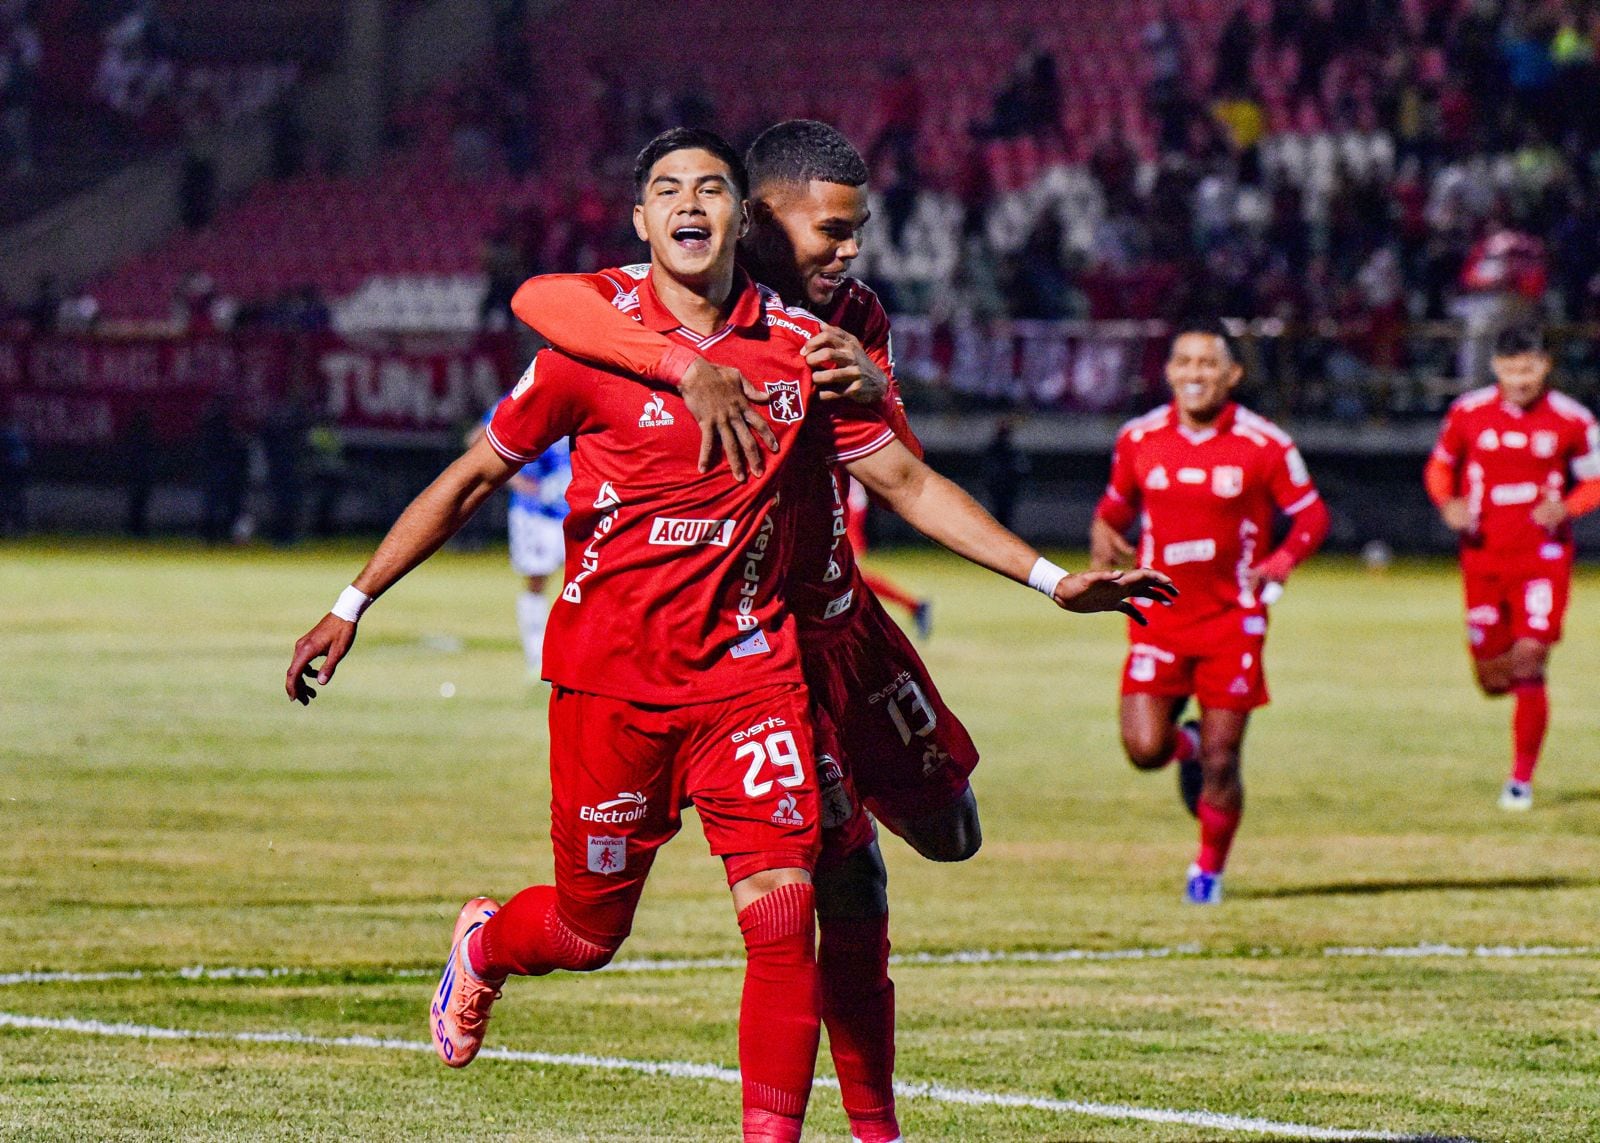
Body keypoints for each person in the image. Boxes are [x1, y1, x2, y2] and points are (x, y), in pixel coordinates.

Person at [285, 128, 1172, 1143]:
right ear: (681, 218)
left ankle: (859, 1128)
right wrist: (352, 603)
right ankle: (489, 945)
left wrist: (1053, 581)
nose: (849, 251)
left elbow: (905, 476)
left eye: (708, 186)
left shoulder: (821, 338)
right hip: (615, 677)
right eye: (670, 191)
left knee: (821, 892)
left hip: (772, 656)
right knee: (587, 931)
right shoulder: (602, 331)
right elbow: (531, 317)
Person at [501, 118, 1025, 1143]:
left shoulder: (849, 317)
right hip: (757, 646)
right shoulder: (669, 313)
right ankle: (875, 1130)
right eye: (834, 229)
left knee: (951, 836)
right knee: (831, 887)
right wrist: (675, 360)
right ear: (764, 216)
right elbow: (545, 299)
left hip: (845, 623)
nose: (851, 250)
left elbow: (898, 469)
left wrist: (884, 400)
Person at [1091, 319, 1328, 905]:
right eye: (1185, 363)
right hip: (1159, 618)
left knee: (1224, 762)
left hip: (1232, 621)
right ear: (1169, 371)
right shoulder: (1139, 438)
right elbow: (1114, 507)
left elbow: (1312, 515)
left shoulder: (1265, 443)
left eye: (1207, 364)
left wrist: (1280, 562)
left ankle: (1207, 872)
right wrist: (1103, 536)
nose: (1195, 374)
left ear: (1232, 375)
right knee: (1145, 750)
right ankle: (1185, 745)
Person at [1424, 323, 1600, 810]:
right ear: (1496, 367)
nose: (1520, 379)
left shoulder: (1572, 419)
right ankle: (1515, 690)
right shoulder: (1468, 413)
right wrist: (1448, 503)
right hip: (1482, 557)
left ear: (1546, 366)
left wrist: (1568, 507)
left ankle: (1520, 778)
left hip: (1542, 559)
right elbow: (1440, 467)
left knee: (1530, 659)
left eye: (1529, 369)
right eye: (1511, 369)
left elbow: (1595, 480)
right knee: (1492, 678)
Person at [467, 414, 570, 679]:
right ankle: (536, 658)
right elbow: (476, 439)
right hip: (536, 513)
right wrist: (520, 483)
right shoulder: (521, 394)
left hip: (579, 508)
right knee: (537, 580)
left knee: (590, 583)